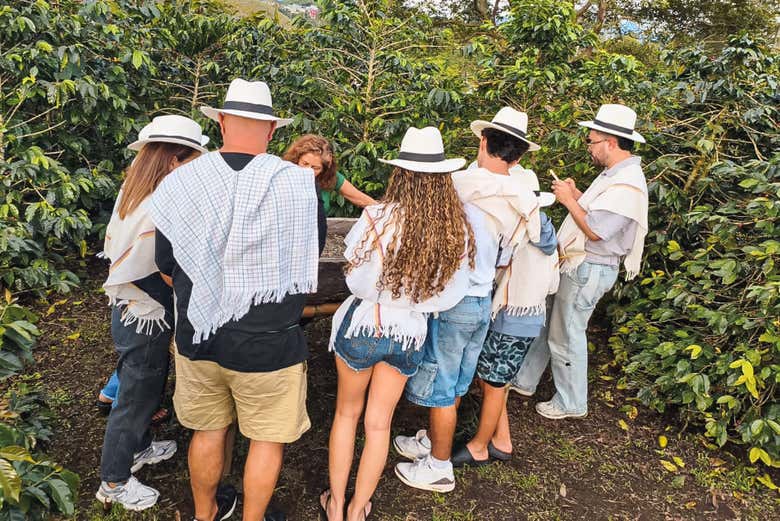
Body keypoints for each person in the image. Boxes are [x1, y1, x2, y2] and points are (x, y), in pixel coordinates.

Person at [149, 79, 326, 521]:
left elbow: (166, 266)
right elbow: (307, 261)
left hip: (198, 334)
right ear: (270, 131)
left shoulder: (181, 183)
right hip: (271, 341)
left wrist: (212, 290)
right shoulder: (299, 187)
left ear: (223, 122)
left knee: (207, 432)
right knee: (267, 440)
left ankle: (205, 514)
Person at [321, 126, 473, 521]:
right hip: (408, 332)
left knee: (346, 415)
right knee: (378, 424)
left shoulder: (377, 216)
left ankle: (335, 504)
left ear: (400, 173)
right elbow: (451, 293)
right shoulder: (451, 228)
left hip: (362, 325)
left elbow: (354, 277)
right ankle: (358, 509)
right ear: (442, 178)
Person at [393, 108, 542, 490]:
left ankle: (439, 466)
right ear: (520, 155)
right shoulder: (522, 198)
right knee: (458, 381)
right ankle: (432, 441)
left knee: (442, 384)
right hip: (482, 302)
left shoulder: (457, 187)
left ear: (483, 141)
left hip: (454, 300)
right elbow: (506, 256)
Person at [96, 115, 209, 511]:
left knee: (145, 383)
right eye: (195, 158)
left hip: (135, 309)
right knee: (136, 395)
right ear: (176, 161)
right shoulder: (160, 202)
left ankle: (140, 447)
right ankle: (113, 481)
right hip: (147, 312)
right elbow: (161, 265)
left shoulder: (136, 189)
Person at [510, 103, 649, 419]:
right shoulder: (616, 175)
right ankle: (525, 380)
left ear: (610, 143)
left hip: (590, 267)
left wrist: (569, 200)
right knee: (551, 325)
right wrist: (579, 194)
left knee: (567, 332)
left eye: (591, 140)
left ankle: (571, 402)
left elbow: (598, 231)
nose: (589, 146)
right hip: (582, 265)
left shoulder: (628, 181)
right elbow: (601, 213)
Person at [450, 168, 559, 467]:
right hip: (523, 315)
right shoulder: (543, 229)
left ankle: (480, 446)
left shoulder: (527, 233)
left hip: (514, 316)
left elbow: (500, 266)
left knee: (495, 381)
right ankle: (502, 438)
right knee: (493, 379)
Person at [283, 134, 377, 214]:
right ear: (296, 159)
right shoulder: (284, 175)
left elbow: (361, 199)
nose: (308, 171)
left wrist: (386, 212)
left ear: (325, 168)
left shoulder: (329, 177)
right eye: (305, 164)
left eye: (315, 168)